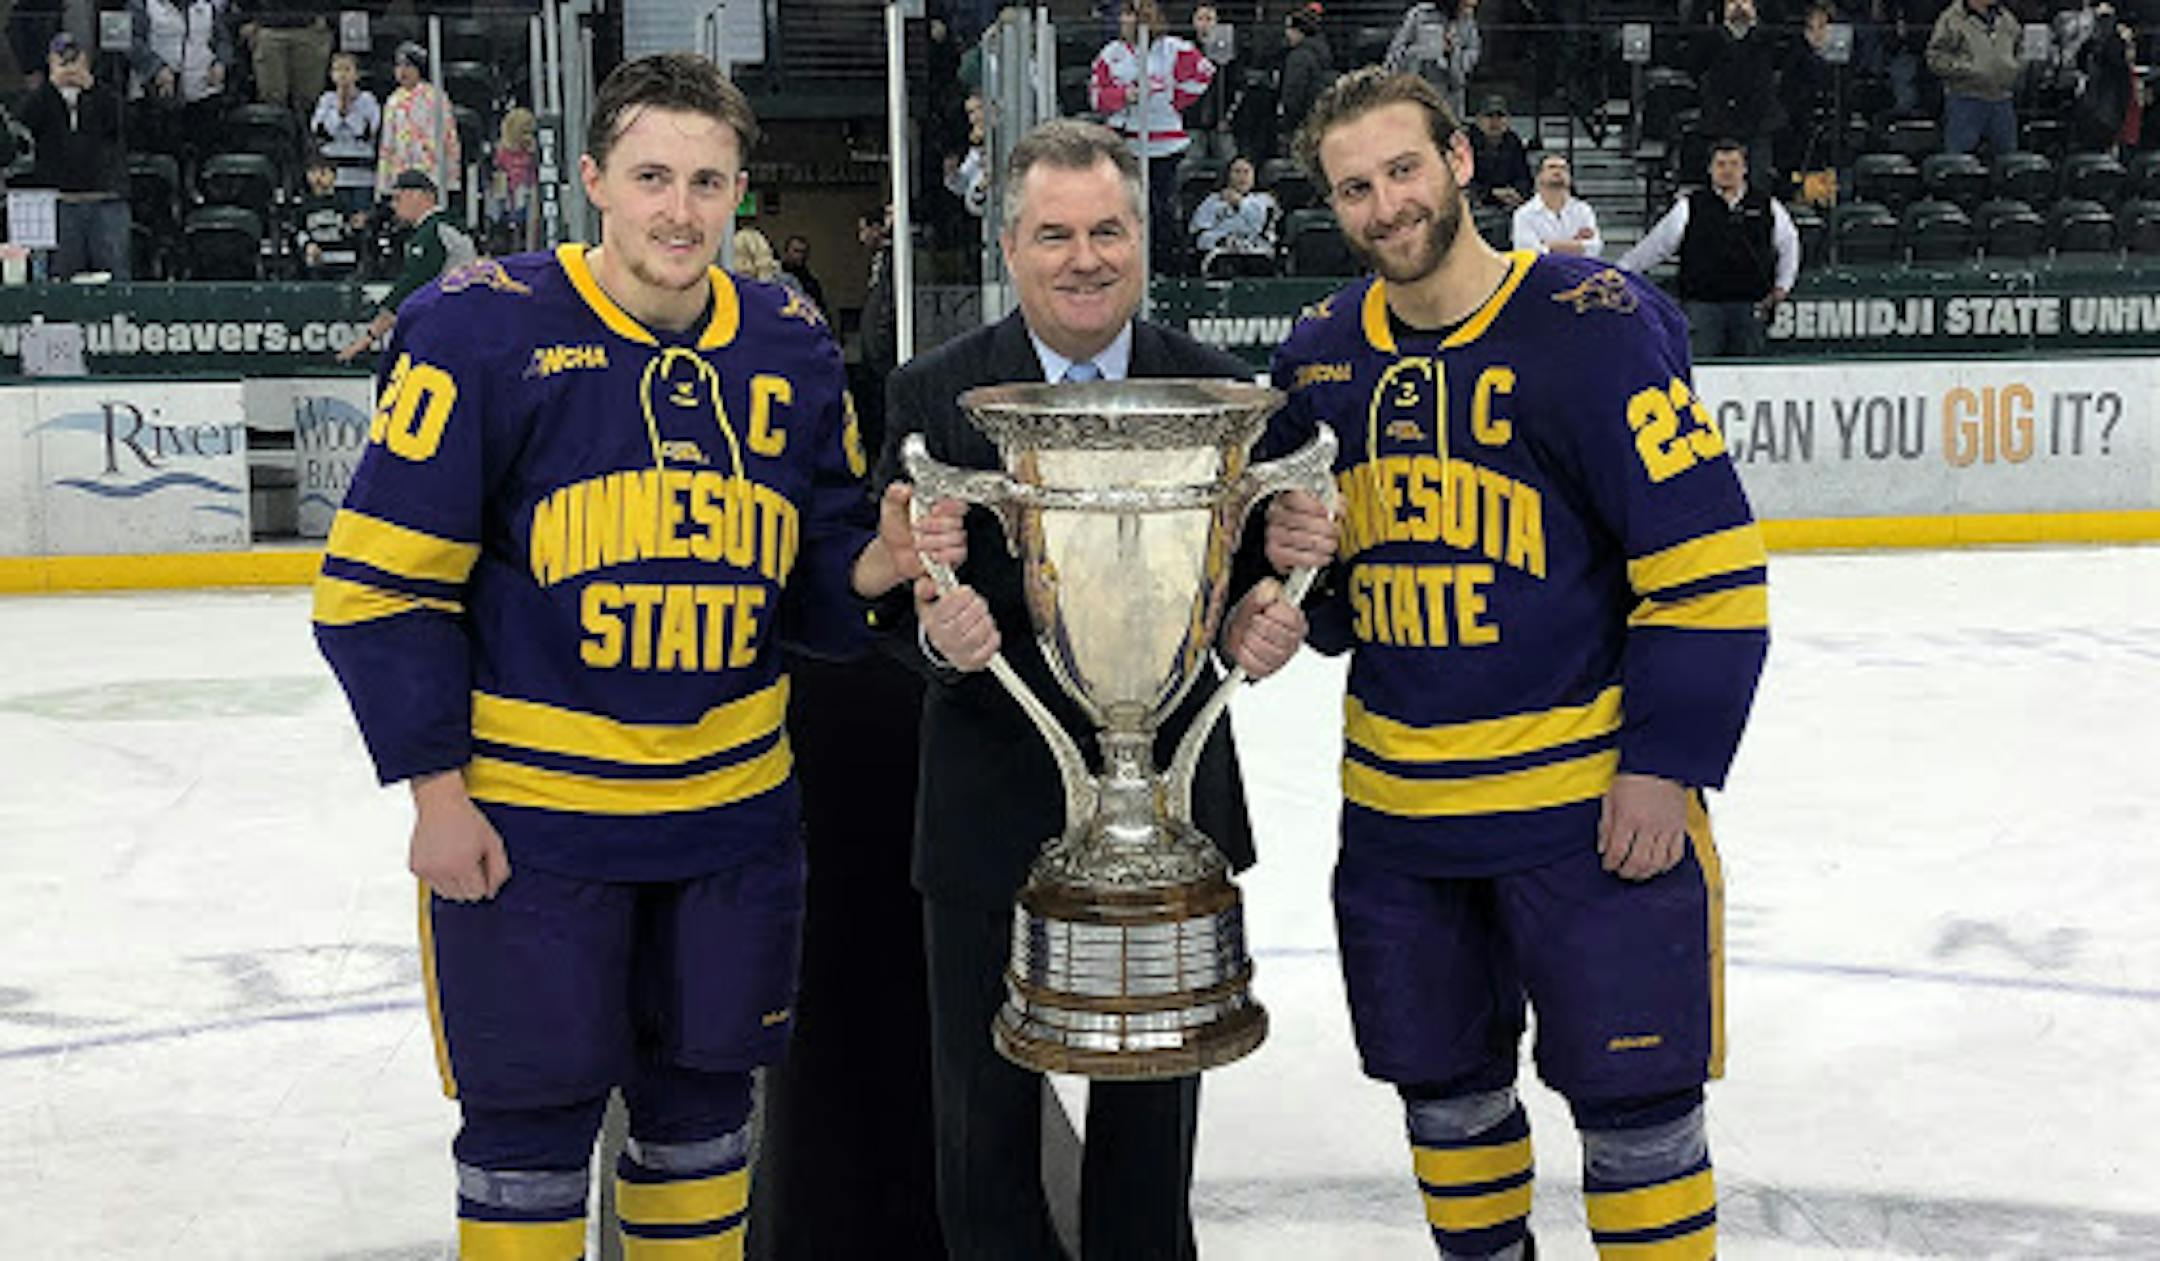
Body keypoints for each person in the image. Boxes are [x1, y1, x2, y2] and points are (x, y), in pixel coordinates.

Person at [312, 51, 950, 1260]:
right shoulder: (478, 331)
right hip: (535, 833)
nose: (681, 211)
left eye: (709, 182)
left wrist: (874, 563)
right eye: (653, 177)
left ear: (739, 192)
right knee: (527, 1141)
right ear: (595, 181)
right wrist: (436, 796)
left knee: (704, 1125)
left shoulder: (790, 343)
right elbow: (378, 593)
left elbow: (810, 574)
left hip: (732, 822)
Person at [1263, 66, 1770, 1260]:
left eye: (1403, 169)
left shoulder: (1596, 323)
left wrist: (1665, 764)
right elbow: (1331, 606)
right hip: (1401, 823)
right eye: (1354, 188)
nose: (1386, 205)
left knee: (1639, 1116)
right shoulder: (1319, 356)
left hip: (1585, 817)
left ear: (1459, 163)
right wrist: (1294, 573)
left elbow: (1709, 567)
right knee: (1446, 1102)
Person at [874, 116, 1307, 1261]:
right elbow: (894, 598)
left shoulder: (1220, 387)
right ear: (1010, 247)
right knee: (981, 1122)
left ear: (1142, 242)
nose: (1084, 259)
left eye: (1107, 231)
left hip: (1168, 812)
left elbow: (1256, 582)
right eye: (1056, 235)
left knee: (1152, 1126)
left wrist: (1264, 618)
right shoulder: (932, 392)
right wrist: (937, 634)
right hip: (987, 805)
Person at [1618, 139, 1800, 359]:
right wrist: (1621, 271)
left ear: (1744, 169)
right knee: (1701, 366)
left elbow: (1789, 245)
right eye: (1721, 164)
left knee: (1749, 368)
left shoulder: (1767, 205)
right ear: (1710, 169)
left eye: (1734, 164)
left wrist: (1783, 285)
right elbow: (1656, 246)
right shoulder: (1690, 206)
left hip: (1750, 305)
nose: (1727, 171)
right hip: (1702, 305)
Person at [1090, 0, 1217, 273]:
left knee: (1162, 210)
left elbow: (1204, 73)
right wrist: (1124, 96)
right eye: (1124, 15)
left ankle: (1166, 267)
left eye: (1130, 14)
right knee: (1131, 209)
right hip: (1126, 145)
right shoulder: (1111, 54)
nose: (1124, 20)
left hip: (1166, 144)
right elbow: (1097, 97)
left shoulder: (1172, 48)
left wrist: (1175, 101)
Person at [20, 34, 131, 281]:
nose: (69, 66)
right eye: (62, 59)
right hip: (60, 203)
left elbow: (123, 125)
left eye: (75, 58)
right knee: (60, 279)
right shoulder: (42, 99)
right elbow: (24, 126)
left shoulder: (105, 96)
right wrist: (50, 87)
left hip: (105, 201)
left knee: (114, 279)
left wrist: (91, 87)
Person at [334, 168, 475, 363]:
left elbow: (411, 286)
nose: (394, 206)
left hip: (449, 324)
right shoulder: (449, 224)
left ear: (419, 196)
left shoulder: (432, 232)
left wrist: (368, 337)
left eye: (398, 198)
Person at [1692, 0, 1788, 193]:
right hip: (1720, 122)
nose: (1738, 7)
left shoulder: (1769, 39)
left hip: (1759, 123)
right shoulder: (1709, 40)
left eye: (1744, 1)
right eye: (1732, 1)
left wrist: (1756, 26)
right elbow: (1694, 65)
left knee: (1759, 182)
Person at [128, 0, 233, 174]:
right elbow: (132, 41)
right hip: (159, 97)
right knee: (165, 154)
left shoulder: (206, 6)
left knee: (205, 153)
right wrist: (155, 68)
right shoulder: (143, 5)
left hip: (203, 93)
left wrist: (221, 62)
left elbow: (223, 41)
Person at [1927, 0, 2021, 156]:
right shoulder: (1951, 18)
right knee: (1959, 160)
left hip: (2003, 100)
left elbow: (2019, 47)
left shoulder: (2006, 18)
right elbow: (1935, 58)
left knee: (2008, 159)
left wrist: (2014, 67)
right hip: (1965, 99)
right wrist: (1968, 69)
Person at [377, 41, 461, 200]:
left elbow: (449, 138)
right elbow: (387, 144)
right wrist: (384, 182)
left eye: (408, 66)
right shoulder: (393, 100)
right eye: (398, 66)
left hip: (430, 173)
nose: (402, 71)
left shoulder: (435, 97)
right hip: (401, 173)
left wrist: (451, 179)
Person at [1383, 0, 1482, 119]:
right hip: (1417, 94)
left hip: (1449, 100)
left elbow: (1470, 59)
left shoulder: (1467, 21)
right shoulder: (1419, 14)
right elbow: (1394, 56)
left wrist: (1452, 52)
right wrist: (1420, 51)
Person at [312, 50, 382, 218]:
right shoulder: (326, 100)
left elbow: (366, 131)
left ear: (356, 74)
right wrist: (340, 109)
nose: (342, 74)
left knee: (360, 219)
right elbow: (322, 131)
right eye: (337, 69)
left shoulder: (368, 100)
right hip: (333, 177)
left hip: (362, 177)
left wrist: (349, 109)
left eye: (347, 69)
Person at [243, 0, 332, 116]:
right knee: (271, 97)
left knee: (309, 98)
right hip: (268, 29)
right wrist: (247, 19)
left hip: (309, 27)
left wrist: (327, 16)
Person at [1188, 152, 1278, 263]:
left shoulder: (1265, 200)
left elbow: (1261, 227)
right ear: (1228, 175)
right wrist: (1221, 241)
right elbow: (1198, 233)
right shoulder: (1213, 200)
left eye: (1246, 172)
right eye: (1237, 172)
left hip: (1256, 253)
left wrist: (1240, 203)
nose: (1242, 177)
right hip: (1220, 254)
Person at [1510, 152, 1602, 257]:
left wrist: (1549, 245)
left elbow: (1594, 248)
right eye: (1551, 167)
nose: (1558, 171)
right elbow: (1528, 253)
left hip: (1579, 267)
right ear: (1539, 177)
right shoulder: (1524, 214)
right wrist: (1574, 244)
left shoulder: (1583, 210)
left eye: (1563, 168)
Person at [1277, 3, 1334, 156]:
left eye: (1289, 28)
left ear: (1299, 31)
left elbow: (1293, 95)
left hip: (1300, 124)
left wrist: (1286, 121)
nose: (1287, 33)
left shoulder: (1299, 58)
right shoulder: (1322, 53)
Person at [292, 152, 361, 278]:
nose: (318, 178)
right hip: (314, 264)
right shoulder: (302, 205)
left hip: (343, 261)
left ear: (334, 175)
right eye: (313, 172)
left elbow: (351, 231)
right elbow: (297, 231)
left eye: (323, 172)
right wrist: (308, 245)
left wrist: (354, 226)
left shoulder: (344, 202)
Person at [1466, 95, 1531, 209]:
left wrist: (1518, 192)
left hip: (1509, 205)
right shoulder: (1466, 143)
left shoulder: (1513, 142)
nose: (1495, 122)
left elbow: (1524, 177)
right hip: (1476, 205)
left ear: (1508, 120)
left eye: (1500, 117)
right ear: (1478, 120)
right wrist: (1492, 193)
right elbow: (1463, 182)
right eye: (1489, 116)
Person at [780, 233, 829, 313]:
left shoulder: (810, 282)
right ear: (786, 251)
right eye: (796, 251)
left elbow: (819, 308)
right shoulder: (775, 274)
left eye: (803, 252)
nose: (799, 256)